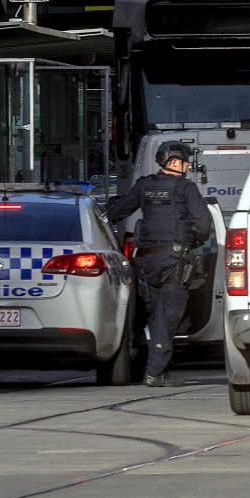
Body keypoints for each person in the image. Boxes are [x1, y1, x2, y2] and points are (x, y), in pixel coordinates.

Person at [106, 141, 211, 388]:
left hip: (146, 261)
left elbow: (116, 212)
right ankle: (156, 373)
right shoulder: (185, 189)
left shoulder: (144, 186)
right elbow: (204, 225)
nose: (187, 165)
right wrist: (193, 240)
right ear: (174, 162)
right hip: (174, 262)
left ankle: (144, 365)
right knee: (167, 316)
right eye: (185, 161)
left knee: (152, 316)